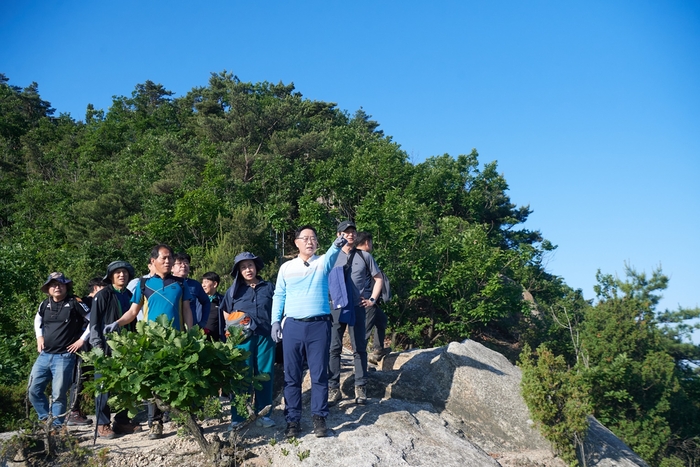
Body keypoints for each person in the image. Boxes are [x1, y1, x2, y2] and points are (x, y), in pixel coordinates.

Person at [104, 244, 193, 439]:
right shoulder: (143, 284)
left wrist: (191, 332)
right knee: (155, 384)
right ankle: (156, 424)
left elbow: (186, 310)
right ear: (153, 261)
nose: (168, 261)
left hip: (176, 341)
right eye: (164, 258)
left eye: (170, 258)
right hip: (152, 341)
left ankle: (185, 423)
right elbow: (133, 312)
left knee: (180, 381)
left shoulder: (180, 284)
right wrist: (117, 323)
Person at [271, 225, 347, 439]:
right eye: (305, 238)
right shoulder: (286, 267)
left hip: (319, 326)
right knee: (292, 376)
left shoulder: (322, 263)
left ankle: (319, 417)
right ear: (296, 242)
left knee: (319, 374)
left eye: (313, 238)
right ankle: (293, 421)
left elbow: (332, 255)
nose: (309, 242)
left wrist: (337, 243)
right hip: (293, 326)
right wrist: (275, 321)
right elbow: (279, 295)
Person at [328, 221, 383, 406]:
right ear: (338, 235)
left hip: (358, 307)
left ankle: (360, 387)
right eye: (346, 232)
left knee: (359, 348)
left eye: (352, 232)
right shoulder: (331, 256)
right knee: (334, 348)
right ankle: (333, 388)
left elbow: (378, 278)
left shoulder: (364, 256)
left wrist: (372, 300)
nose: (350, 235)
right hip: (336, 308)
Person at [220, 252, 276, 429]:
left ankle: (263, 414)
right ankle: (238, 416)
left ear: (256, 266)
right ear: (238, 271)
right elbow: (226, 312)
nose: (248, 270)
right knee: (241, 375)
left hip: (265, 335)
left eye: (250, 265)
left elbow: (278, 306)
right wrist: (231, 330)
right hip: (242, 338)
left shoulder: (269, 287)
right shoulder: (234, 290)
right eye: (243, 267)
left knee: (265, 374)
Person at [89, 261, 143, 439]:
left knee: (127, 385)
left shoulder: (129, 294)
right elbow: (94, 322)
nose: (122, 275)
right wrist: (97, 345)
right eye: (118, 273)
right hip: (105, 347)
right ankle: (102, 424)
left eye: (125, 273)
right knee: (103, 386)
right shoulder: (103, 294)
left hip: (126, 347)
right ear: (111, 276)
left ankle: (121, 421)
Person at [29, 272, 90, 427]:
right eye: (53, 284)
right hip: (44, 354)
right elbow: (38, 319)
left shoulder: (75, 302)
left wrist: (81, 340)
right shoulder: (44, 304)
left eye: (61, 284)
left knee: (58, 395)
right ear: (48, 288)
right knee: (33, 390)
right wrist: (39, 337)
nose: (57, 287)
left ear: (66, 287)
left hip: (64, 356)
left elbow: (92, 320)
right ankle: (45, 420)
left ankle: (56, 429)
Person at [65, 277, 106, 427]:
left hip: (95, 343)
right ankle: (73, 411)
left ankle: (82, 412)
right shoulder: (83, 302)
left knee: (95, 378)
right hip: (84, 345)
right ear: (95, 288)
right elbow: (91, 322)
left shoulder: (96, 301)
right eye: (103, 287)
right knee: (80, 378)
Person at [355, 231, 390, 364]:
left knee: (382, 320)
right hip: (368, 301)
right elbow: (378, 278)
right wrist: (372, 300)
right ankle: (361, 363)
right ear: (366, 242)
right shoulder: (366, 256)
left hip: (360, 300)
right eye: (370, 242)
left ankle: (378, 349)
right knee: (364, 332)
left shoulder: (351, 256)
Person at [172, 252, 211, 329]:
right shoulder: (167, 284)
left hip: (191, 327)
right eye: (179, 263)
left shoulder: (195, 285)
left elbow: (206, 302)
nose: (183, 266)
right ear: (172, 267)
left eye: (186, 263)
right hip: (172, 326)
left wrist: (203, 321)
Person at [201, 272, 224, 341]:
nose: (203, 285)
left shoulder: (222, 301)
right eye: (202, 282)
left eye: (206, 282)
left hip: (217, 341)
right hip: (200, 340)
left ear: (215, 284)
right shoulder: (199, 300)